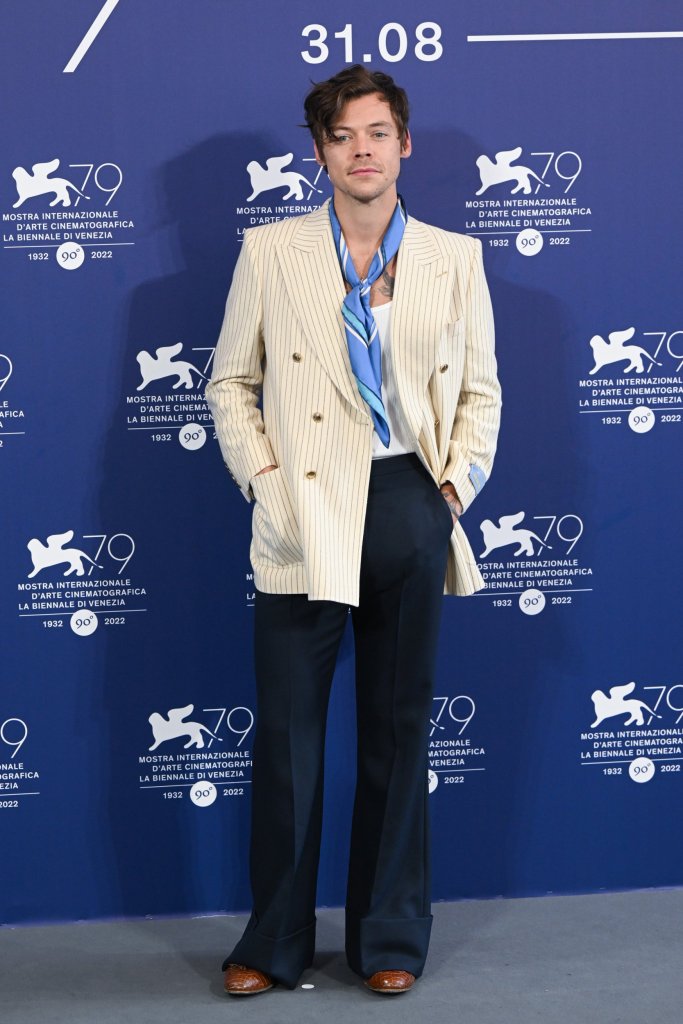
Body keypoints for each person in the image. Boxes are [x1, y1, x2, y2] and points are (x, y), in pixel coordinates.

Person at [206, 64, 501, 996]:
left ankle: (388, 941)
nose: (361, 150)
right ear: (321, 151)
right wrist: (263, 479)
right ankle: (273, 944)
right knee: (288, 740)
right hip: (302, 510)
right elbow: (229, 382)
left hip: (407, 502)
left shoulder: (454, 257)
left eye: (378, 133)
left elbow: (481, 393)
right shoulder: (272, 252)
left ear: (404, 145)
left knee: (397, 732)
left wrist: (449, 489)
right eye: (342, 136)